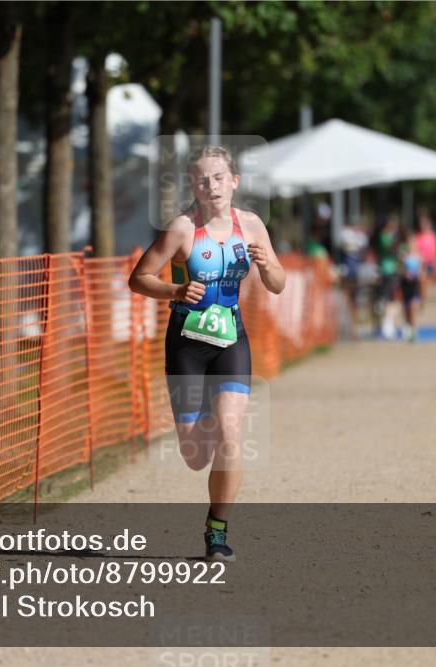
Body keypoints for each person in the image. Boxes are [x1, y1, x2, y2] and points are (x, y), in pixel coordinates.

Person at [128, 145, 285, 561]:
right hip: (186, 345)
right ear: (192, 186)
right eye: (201, 179)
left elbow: (277, 283)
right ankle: (212, 422)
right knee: (196, 457)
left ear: (234, 181)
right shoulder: (181, 229)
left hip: (232, 341)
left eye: (218, 177)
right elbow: (139, 278)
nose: (211, 185)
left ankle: (217, 532)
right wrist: (174, 290)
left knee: (231, 438)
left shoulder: (251, 225)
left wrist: (267, 264)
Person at [369, 215, 402, 336]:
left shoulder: (387, 236)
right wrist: (397, 241)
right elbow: (391, 248)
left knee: (390, 298)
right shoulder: (384, 236)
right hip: (387, 271)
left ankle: (387, 323)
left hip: (390, 270)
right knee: (387, 299)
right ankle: (385, 325)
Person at [337, 221, 368, 340]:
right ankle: (350, 330)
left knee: (352, 303)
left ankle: (353, 331)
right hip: (347, 277)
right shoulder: (347, 238)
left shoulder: (359, 240)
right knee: (346, 301)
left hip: (354, 276)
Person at [398, 226, 424, 342]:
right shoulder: (403, 256)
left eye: (413, 242)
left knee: (414, 308)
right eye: (409, 242)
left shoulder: (419, 256)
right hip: (406, 284)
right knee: (407, 308)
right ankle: (408, 327)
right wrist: (405, 274)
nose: (411, 244)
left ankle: (414, 330)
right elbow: (400, 270)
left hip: (415, 284)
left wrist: (418, 274)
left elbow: (422, 271)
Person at [414, 211, 436, 303]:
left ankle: (423, 298)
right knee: (421, 280)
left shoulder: (432, 236)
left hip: (430, 262)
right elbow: (415, 249)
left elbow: (435, 250)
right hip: (421, 262)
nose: (423, 226)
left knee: (426, 283)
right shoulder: (418, 236)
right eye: (422, 224)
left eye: (425, 224)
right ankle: (420, 298)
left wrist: (435, 262)